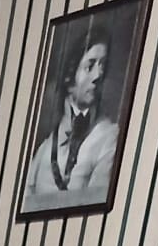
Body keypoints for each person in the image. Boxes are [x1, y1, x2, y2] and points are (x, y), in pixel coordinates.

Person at [23, 25, 119, 210]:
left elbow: (93, 211)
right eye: (90, 66)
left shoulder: (109, 137)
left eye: (103, 66)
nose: (98, 75)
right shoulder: (44, 150)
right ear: (70, 77)